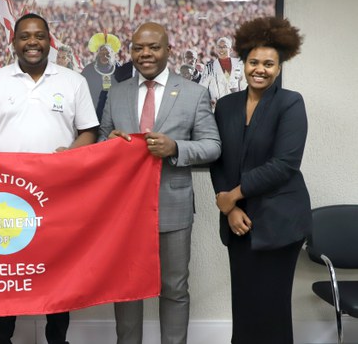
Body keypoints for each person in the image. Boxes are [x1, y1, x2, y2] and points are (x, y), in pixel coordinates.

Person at [0, 13, 99, 344]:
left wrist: (69, 155)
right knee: (8, 270)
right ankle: (0, 339)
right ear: (13, 42)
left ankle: (58, 339)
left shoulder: (73, 81)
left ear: (49, 40)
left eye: (39, 36)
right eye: (25, 36)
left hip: (58, 196)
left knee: (57, 271)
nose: (32, 42)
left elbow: (89, 131)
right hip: (7, 197)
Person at [99, 22, 221, 344]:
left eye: (153, 47)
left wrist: (176, 148)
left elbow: (213, 145)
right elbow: (101, 142)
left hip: (173, 205)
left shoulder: (194, 93)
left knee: (174, 287)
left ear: (168, 49)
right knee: (126, 287)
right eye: (138, 47)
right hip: (125, 208)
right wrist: (110, 143)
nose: (145, 54)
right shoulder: (118, 93)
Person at [209, 17, 311, 344]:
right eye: (254, 62)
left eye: (269, 64)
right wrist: (230, 209)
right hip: (239, 223)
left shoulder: (290, 103)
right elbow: (218, 159)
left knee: (272, 306)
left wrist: (232, 196)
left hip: (280, 221)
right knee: (245, 303)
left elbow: (284, 164)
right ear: (243, 63)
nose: (260, 69)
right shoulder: (225, 106)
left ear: (279, 68)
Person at [81, 32, 123, 120]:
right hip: (93, 114)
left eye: (107, 54)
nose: (104, 56)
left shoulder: (120, 70)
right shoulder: (88, 70)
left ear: (113, 55)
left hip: (114, 114)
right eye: (101, 53)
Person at [200, 37, 246, 107]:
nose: (221, 49)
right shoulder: (209, 67)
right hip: (218, 107)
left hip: (236, 106)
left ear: (230, 50)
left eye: (224, 47)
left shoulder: (239, 64)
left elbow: (245, 84)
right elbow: (202, 87)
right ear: (216, 49)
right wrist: (209, 99)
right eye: (219, 47)